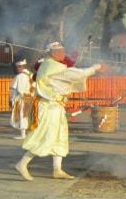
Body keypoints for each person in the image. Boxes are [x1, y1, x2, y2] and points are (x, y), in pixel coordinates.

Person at [15, 42, 102, 181]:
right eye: (61, 51)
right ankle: (22, 163)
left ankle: (57, 169)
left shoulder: (49, 64)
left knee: (60, 137)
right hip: (49, 107)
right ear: (53, 53)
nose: (63, 54)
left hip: (56, 106)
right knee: (45, 137)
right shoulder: (53, 66)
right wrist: (95, 68)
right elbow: (75, 74)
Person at [10, 59, 34, 140]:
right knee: (29, 116)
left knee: (21, 115)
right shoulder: (31, 75)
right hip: (31, 98)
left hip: (21, 98)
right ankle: (30, 133)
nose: (17, 69)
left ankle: (23, 134)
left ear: (21, 67)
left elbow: (13, 89)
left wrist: (11, 99)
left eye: (18, 67)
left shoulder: (18, 77)